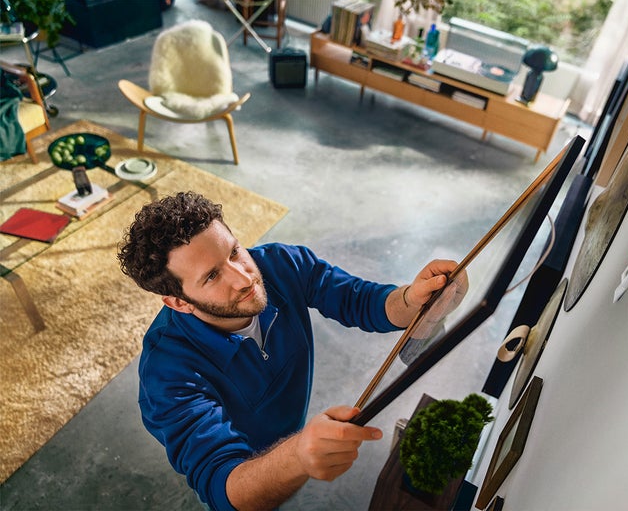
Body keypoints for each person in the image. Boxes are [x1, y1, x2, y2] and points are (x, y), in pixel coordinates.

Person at [117, 191, 459, 510]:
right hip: (249, 470)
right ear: (178, 302)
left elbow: (361, 301)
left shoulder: (281, 265)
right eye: (212, 276)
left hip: (291, 435)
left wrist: (412, 299)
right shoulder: (167, 373)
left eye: (234, 251)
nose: (244, 278)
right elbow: (222, 482)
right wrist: (297, 456)